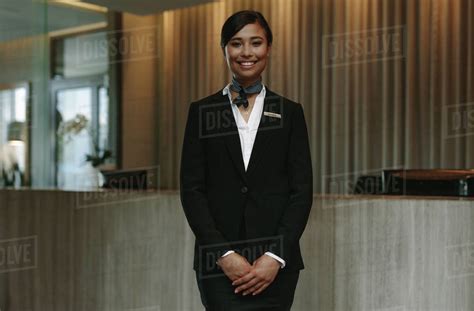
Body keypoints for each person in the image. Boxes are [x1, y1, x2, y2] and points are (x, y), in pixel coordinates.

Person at [180, 10, 313, 311]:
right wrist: (223, 255)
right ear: (225, 49)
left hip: (275, 269)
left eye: (256, 42)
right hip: (218, 267)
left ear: (268, 48)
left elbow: (301, 193)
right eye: (237, 43)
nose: (247, 52)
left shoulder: (290, 113)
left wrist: (275, 256)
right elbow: (192, 191)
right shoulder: (202, 112)